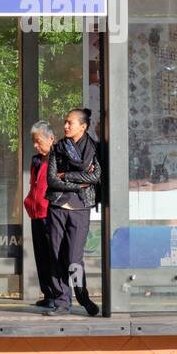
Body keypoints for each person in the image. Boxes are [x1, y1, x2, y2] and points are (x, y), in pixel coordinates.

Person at [44, 108, 101, 316]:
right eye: (65, 122)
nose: (66, 126)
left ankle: (82, 296)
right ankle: (62, 302)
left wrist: (66, 175)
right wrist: (78, 183)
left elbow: (95, 178)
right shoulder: (58, 147)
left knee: (74, 258)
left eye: (70, 123)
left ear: (83, 127)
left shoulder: (94, 148)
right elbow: (51, 180)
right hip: (58, 206)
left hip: (81, 208)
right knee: (55, 255)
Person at [24, 121, 55, 309]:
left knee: (52, 257)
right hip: (36, 214)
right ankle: (47, 293)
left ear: (50, 138)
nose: (36, 145)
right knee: (41, 256)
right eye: (34, 142)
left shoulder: (59, 158)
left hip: (51, 214)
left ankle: (57, 294)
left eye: (38, 141)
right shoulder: (36, 161)